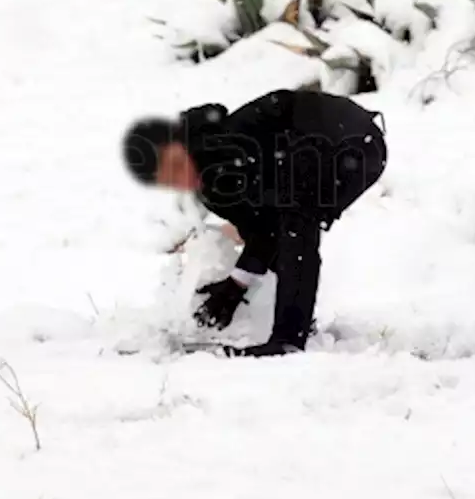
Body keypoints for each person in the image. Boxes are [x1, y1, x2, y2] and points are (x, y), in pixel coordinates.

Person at [122, 89, 388, 357]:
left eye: (176, 166)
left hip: (347, 141)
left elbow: (283, 224)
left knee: (295, 224)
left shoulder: (228, 145)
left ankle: (289, 338)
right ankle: (295, 324)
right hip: (354, 153)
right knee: (290, 225)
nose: (177, 180)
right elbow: (265, 231)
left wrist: (240, 282)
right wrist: (235, 286)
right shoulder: (215, 187)